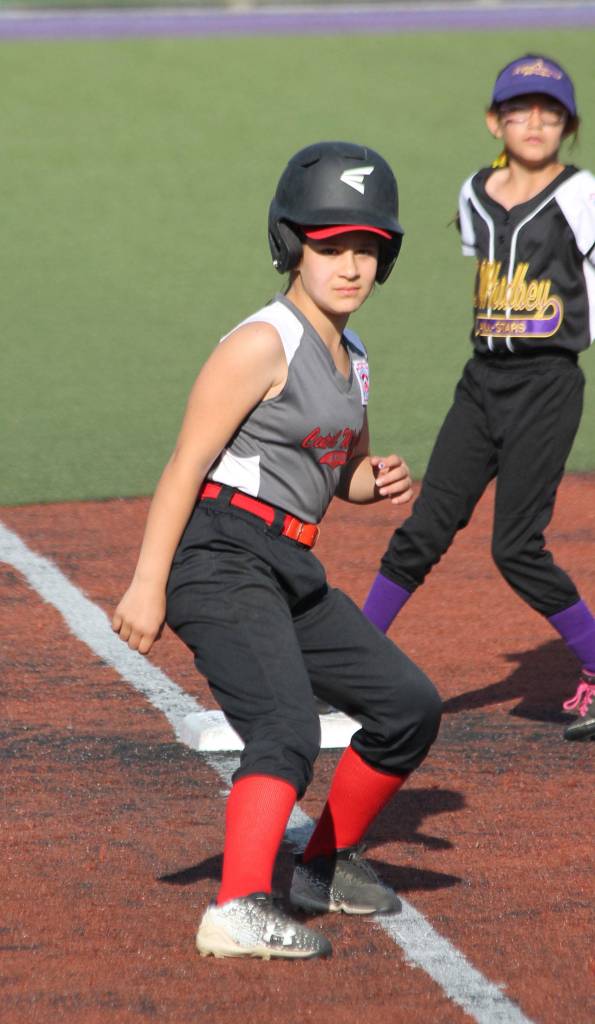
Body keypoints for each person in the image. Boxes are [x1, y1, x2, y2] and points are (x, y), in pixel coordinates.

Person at [112, 141, 442, 960]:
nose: (352, 264)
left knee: (407, 706)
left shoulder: (353, 360)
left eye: (368, 247)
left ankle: (320, 867)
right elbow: (187, 462)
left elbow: (340, 477)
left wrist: (376, 477)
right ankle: (235, 908)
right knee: (285, 727)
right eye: (331, 244)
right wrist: (147, 584)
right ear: (292, 243)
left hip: (290, 565)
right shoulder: (262, 342)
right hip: (219, 557)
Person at [362, 55, 595, 742]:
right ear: (494, 121)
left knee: (515, 547)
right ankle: (347, 662)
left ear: (567, 127)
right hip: (480, 385)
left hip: (547, 385)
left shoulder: (581, 196)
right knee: (422, 531)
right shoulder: (473, 192)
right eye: (518, 110)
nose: (533, 122)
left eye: (548, 112)